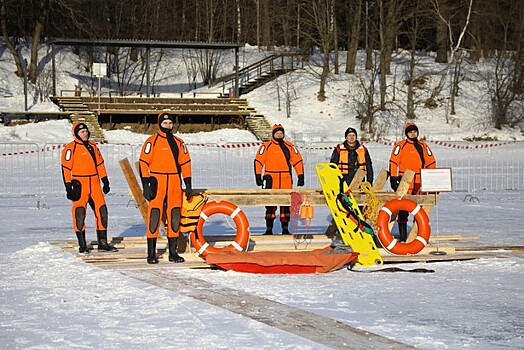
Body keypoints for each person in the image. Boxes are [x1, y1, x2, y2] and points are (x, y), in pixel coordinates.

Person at [139, 112, 192, 264]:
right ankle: (151, 253)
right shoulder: (152, 141)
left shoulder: (179, 142)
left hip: (175, 181)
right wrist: (146, 184)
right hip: (157, 180)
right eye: (165, 123)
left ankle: (173, 253)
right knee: (154, 215)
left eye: (170, 123)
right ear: (159, 124)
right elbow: (143, 162)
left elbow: (186, 163)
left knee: (175, 215)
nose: (168, 125)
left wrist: (188, 183)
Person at [61, 122, 117, 253]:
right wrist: (68, 187)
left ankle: (102, 243)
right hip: (79, 184)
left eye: (86, 131)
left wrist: (105, 180)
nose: (85, 134)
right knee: (79, 213)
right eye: (82, 132)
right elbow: (65, 169)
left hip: (95, 183)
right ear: (76, 134)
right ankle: (82, 244)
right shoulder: (70, 148)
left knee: (102, 212)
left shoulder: (93, 146)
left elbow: (100, 163)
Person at [389, 122, 436, 242]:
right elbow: (394, 162)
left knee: (420, 209)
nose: (413, 133)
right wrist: (394, 178)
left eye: (414, 131)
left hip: (420, 181)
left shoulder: (423, 146)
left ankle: (418, 234)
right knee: (404, 209)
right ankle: (403, 235)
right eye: (410, 132)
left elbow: (431, 162)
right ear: (406, 134)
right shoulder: (400, 146)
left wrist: (432, 177)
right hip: (405, 180)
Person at [254, 124, 305, 235]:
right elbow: (258, 161)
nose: (279, 135)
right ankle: (269, 229)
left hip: (286, 179)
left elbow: (297, 161)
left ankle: (285, 229)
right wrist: (258, 176)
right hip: (270, 180)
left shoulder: (290, 146)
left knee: (286, 205)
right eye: (277, 133)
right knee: (269, 205)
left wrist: (300, 175)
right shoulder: (266, 146)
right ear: (273, 134)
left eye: (281, 133)